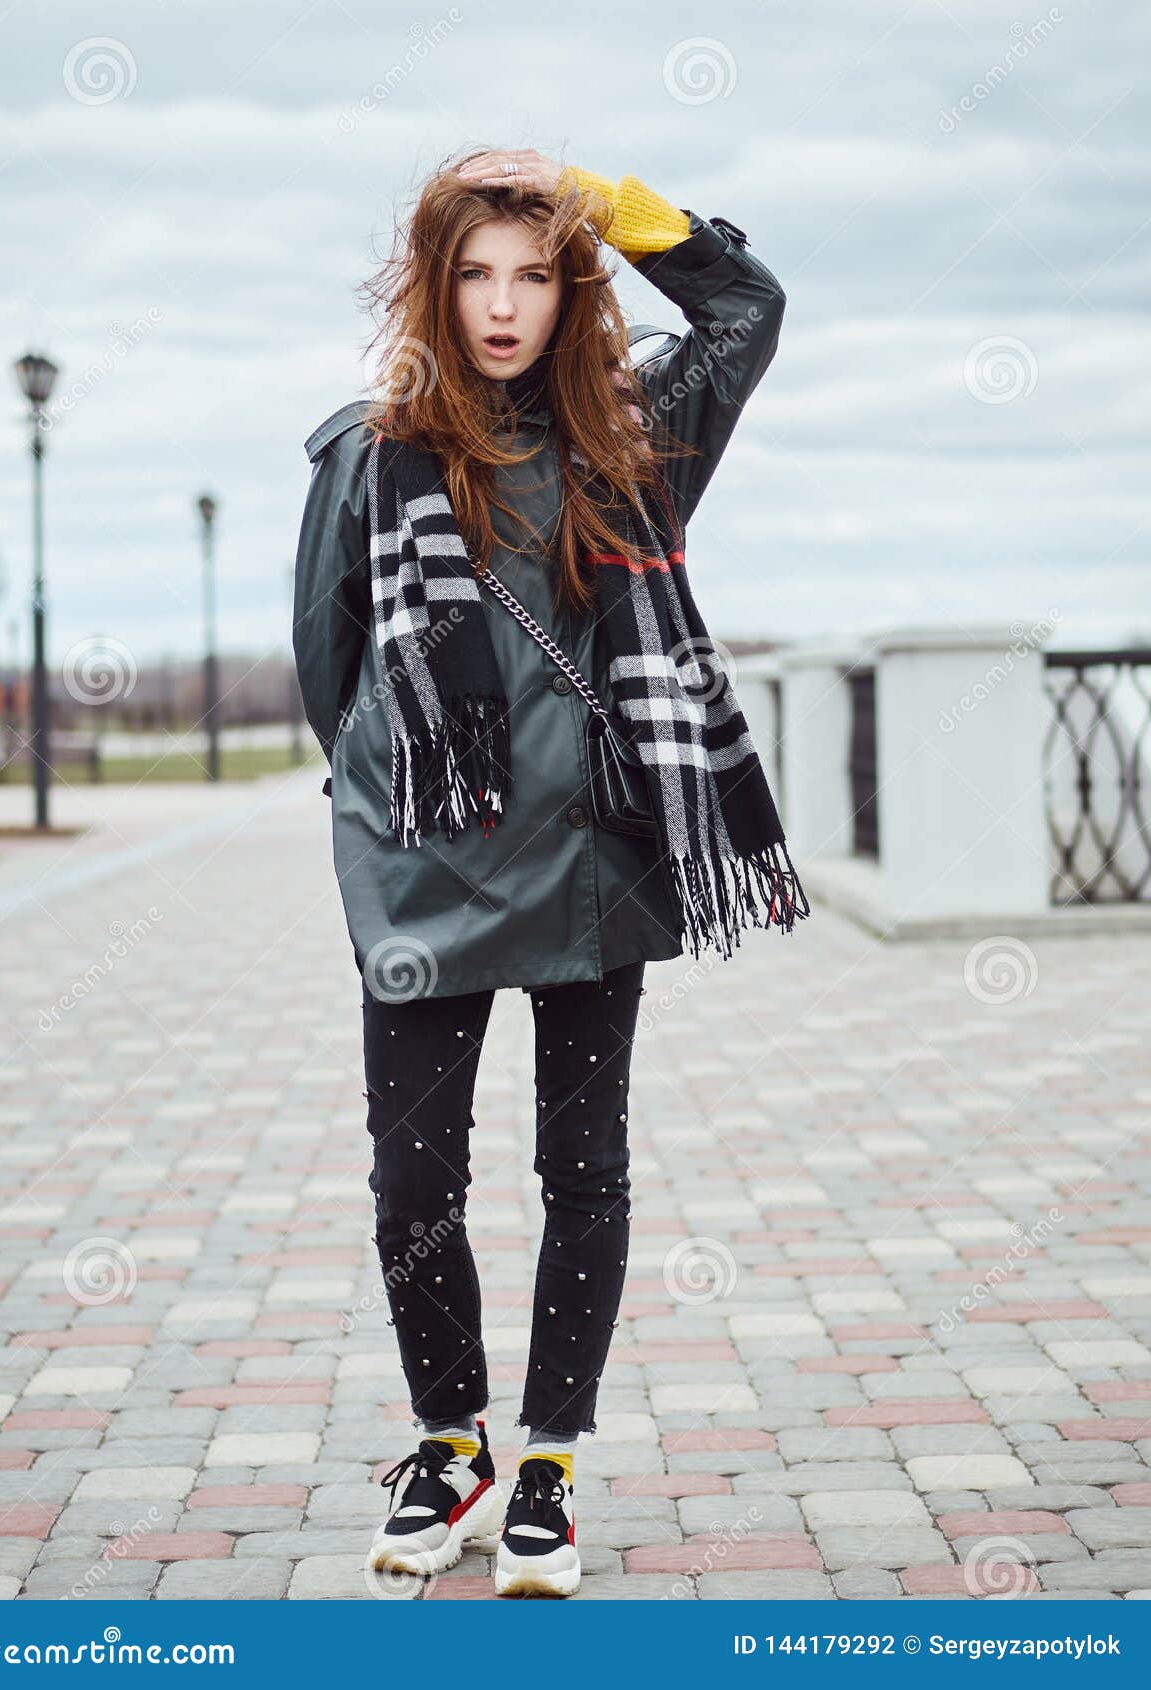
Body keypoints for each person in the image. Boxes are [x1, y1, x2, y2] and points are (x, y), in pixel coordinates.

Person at [292, 146, 808, 1598]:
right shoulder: (366, 454)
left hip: (597, 865)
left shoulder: (636, 438)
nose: (504, 305)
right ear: (433, 287)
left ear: (569, 286)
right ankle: (448, 1442)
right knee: (412, 1182)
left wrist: (604, 195)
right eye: (476, 274)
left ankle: (550, 1466)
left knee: (582, 1167)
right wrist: (411, 791)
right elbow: (329, 677)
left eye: (534, 272)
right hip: (424, 865)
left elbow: (746, 307)